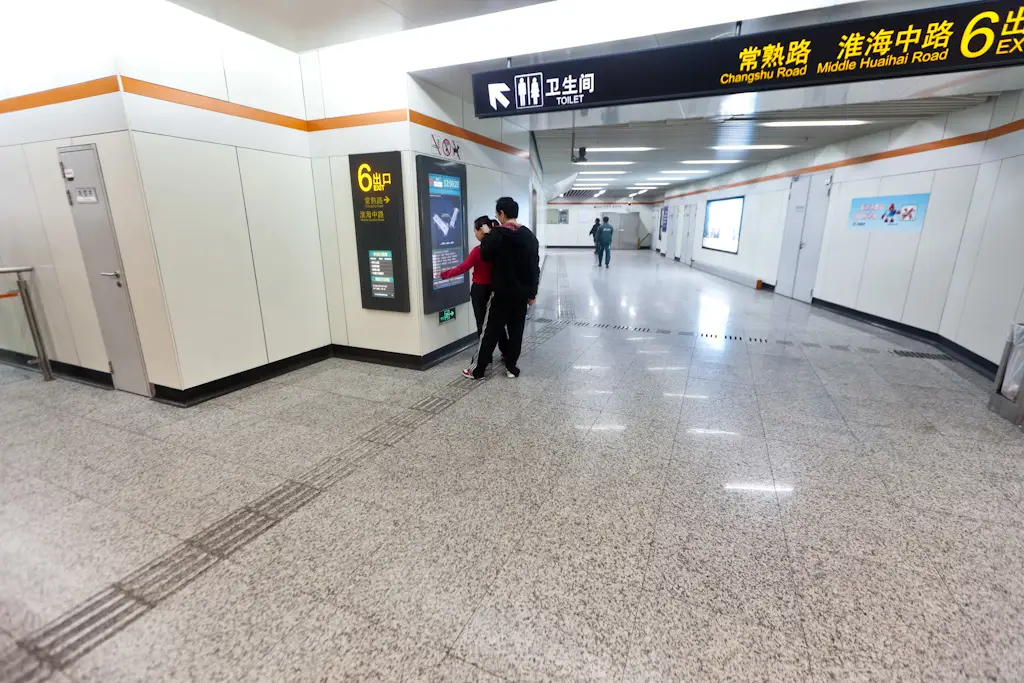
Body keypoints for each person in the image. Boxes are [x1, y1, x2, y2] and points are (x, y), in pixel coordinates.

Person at [464, 197, 540, 380]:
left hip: (501, 293)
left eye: (498, 214)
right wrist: (532, 293)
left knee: (489, 331)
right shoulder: (529, 236)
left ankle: (478, 370)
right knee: (516, 331)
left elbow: (485, 255)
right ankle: (511, 367)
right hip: (521, 294)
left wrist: (487, 234)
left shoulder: (497, 235)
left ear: (502, 214)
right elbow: (534, 267)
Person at [439, 216, 507, 369]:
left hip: (480, 291)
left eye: (475, 231)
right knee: (497, 323)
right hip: (495, 289)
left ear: (482, 231)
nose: (475, 234)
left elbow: (463, 267)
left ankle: (485, 358)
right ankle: (506, 352)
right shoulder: (499, 249)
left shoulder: (479, 251)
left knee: (482, 325)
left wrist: (443, 274)